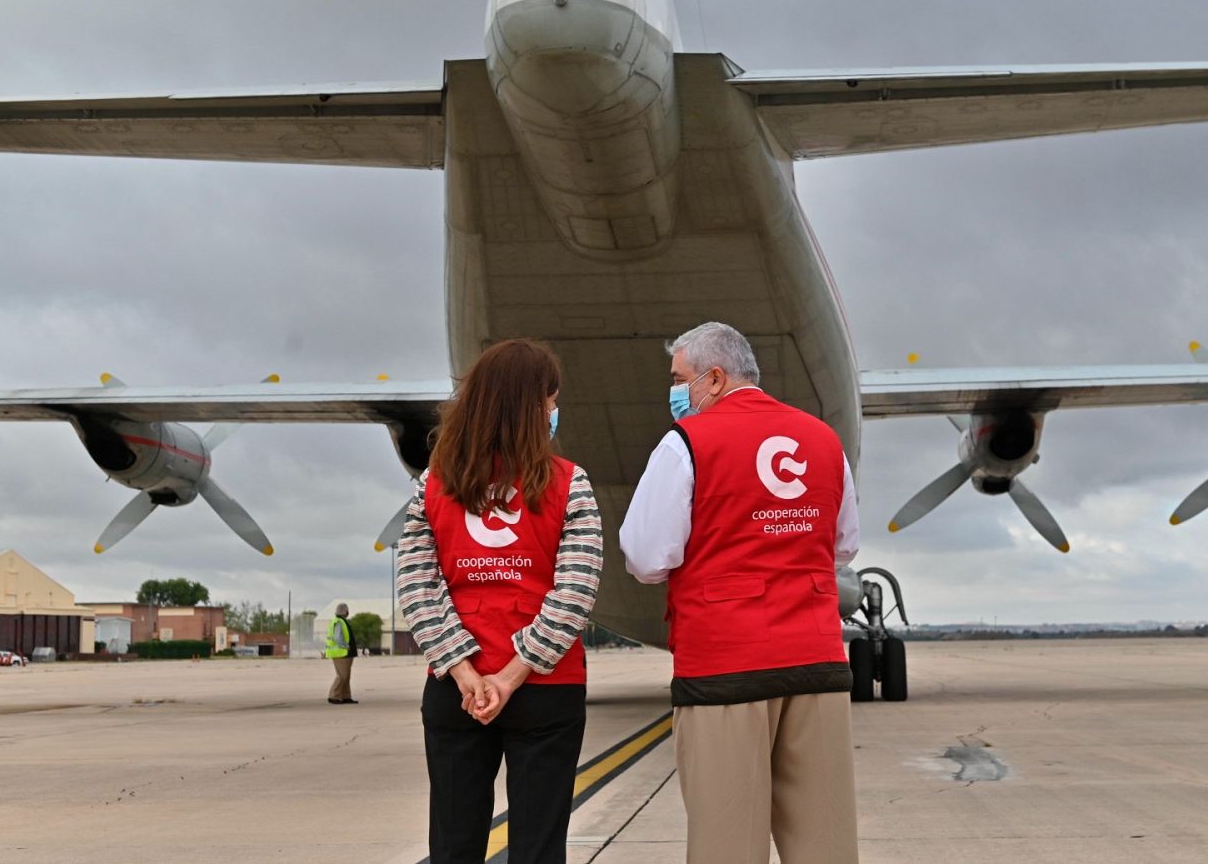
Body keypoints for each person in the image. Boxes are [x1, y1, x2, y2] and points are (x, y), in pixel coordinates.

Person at [621, 321, 860, 864]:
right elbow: (843, 546)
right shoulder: (824, 439)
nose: (676, 391)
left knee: (726, 844)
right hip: (817, 662)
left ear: (714, 377)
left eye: (680, 378)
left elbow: (645, 556)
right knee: (827, 844)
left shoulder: (685, 444)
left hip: (725, 668)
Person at [396, 338, 602, 864]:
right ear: (532, 407)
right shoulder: (570, 482)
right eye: (551, 403)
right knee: (538, 845)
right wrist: (512, 676)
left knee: (453, 842)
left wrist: (466, 674)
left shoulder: (432, 485)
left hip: (455, 692)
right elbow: (574, 592)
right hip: (546, 688)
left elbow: (417, 590)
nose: (555, 413)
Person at [325, 603, 358, 704]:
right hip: (341, 654)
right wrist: (346, 646)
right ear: (345, 611)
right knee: (342, 676)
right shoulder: (339, 622)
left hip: (345, 654)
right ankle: (333, 696)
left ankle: (345, 696)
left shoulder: (341, 621)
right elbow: (337, 637)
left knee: (346, 676)